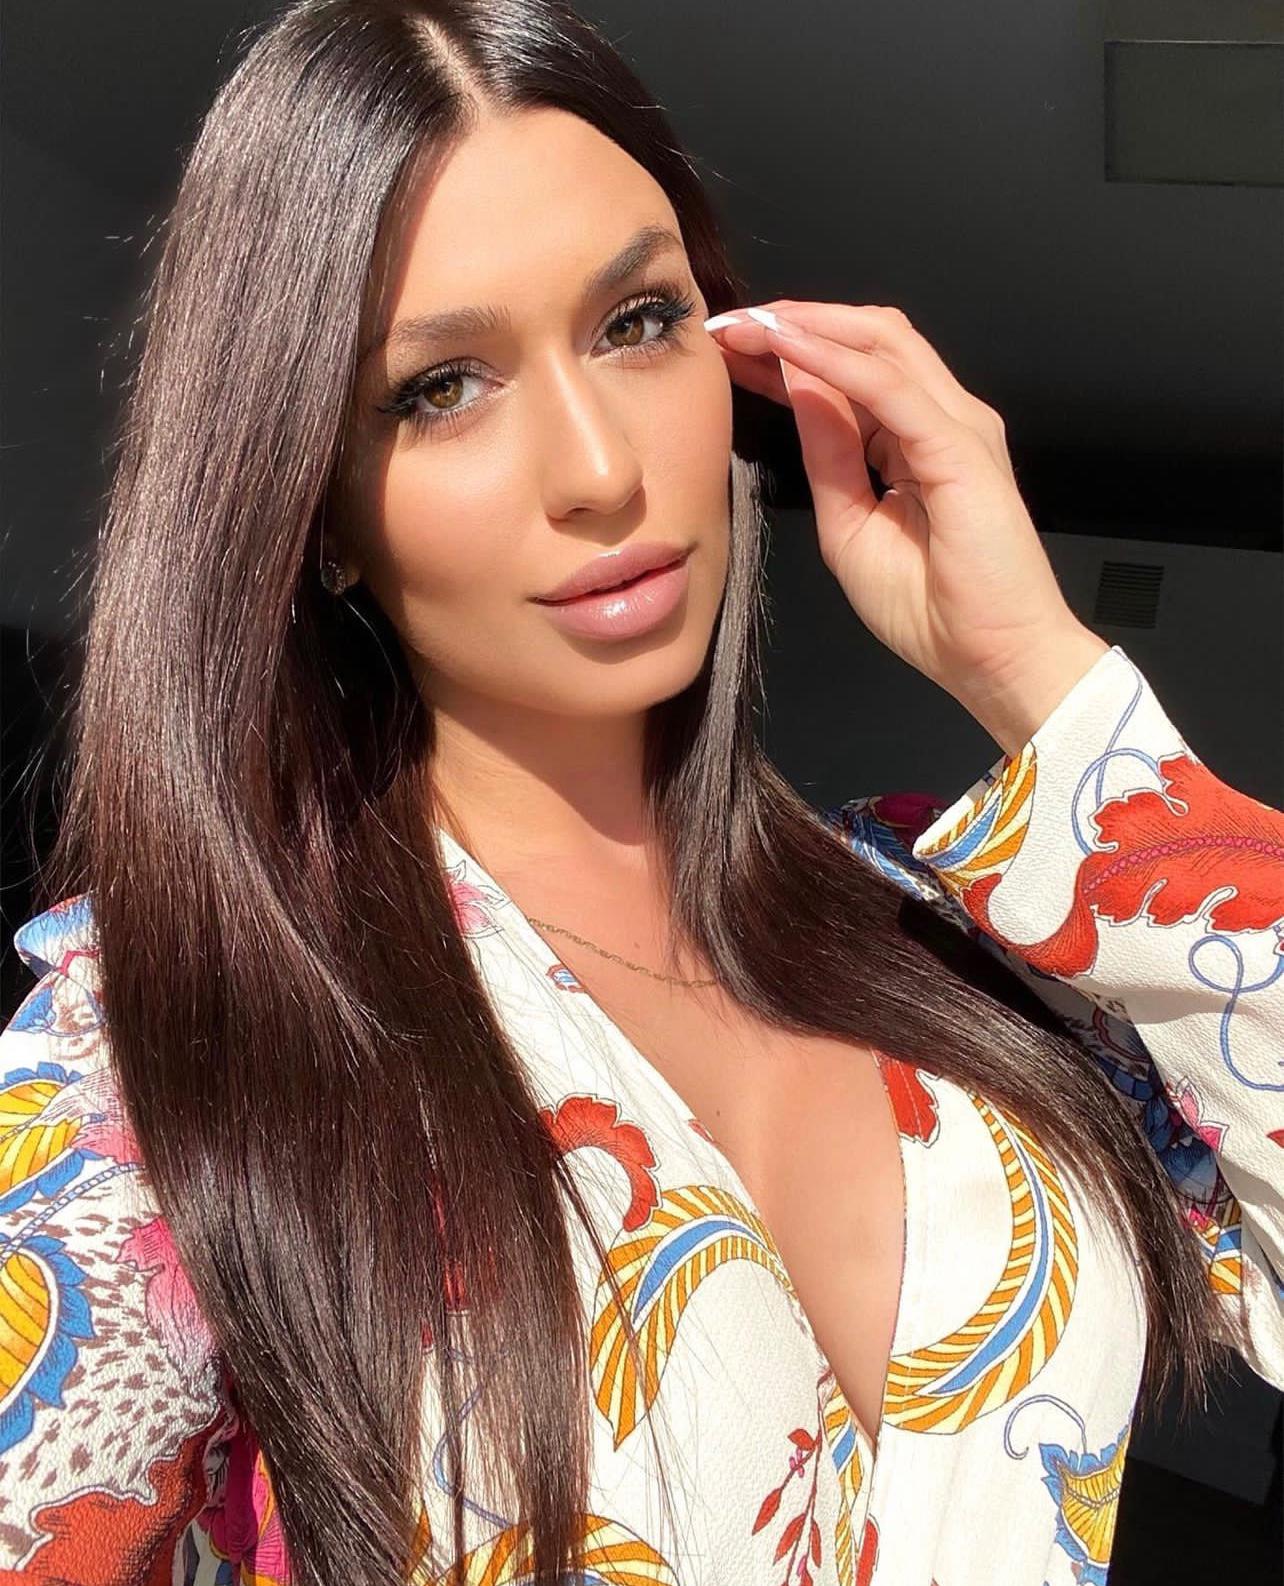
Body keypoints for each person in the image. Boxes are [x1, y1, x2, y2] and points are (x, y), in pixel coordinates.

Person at [2, 2, 1280, 1582]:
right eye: (441, 386)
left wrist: (1039, 673)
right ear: (316, 512)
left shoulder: (956, 933)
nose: (602, 469)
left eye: (637, 322)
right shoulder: (165, 1056)